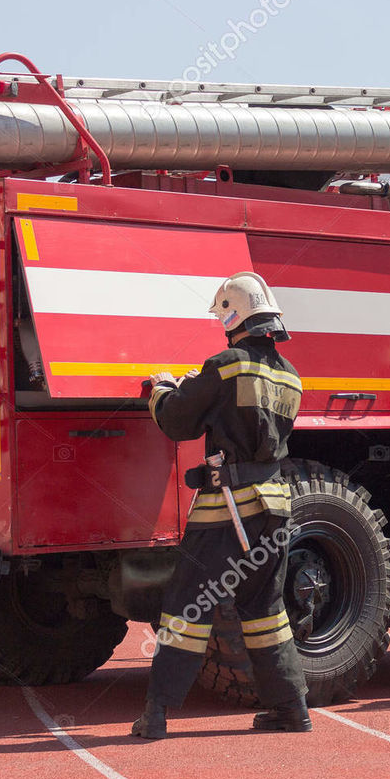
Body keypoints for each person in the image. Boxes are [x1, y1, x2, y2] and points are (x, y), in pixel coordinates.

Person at [131, 271, 311, 739]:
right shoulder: (290, 375)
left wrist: (163, 389)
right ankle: (292, 710)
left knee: (187, 609)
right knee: (267, 613)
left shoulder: (226, 364)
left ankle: (156, 713)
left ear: (233, 316)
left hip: (225, 508)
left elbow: (177, 421)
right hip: (274, 506)